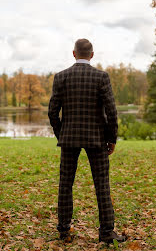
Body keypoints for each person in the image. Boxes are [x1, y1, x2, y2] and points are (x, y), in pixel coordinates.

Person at [48, 39, 127, 244]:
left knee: (65, 184)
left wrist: (61, 134)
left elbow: (52, 112)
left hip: (69, 138)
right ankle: (107, 232)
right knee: (102, 184)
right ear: (92, 55)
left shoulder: (61, 77)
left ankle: (64, 230)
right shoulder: (101, 77)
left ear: (74, 53)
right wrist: (111, 138)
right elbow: (111, 111)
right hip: (97, 139)